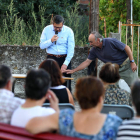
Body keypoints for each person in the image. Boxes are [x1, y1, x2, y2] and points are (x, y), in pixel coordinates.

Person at [26, 76, 122, 140]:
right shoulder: (114, 122)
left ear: (78, 97)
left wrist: (56, 112)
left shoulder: (64, 117)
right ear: (101, 99)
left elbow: (30, 126)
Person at [65, 31, 138, 86]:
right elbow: (87, 62)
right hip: (113, 70)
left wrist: (132, 62)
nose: (90, 44)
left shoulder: (111, 41)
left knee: (135, 86)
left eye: (91, 42)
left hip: (126, 67)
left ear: (98, 40)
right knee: (109, 89)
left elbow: (127, 48)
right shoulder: (94, 50)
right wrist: (74, 70)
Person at [40, 15, 75, 91]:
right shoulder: (46, 29)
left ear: (63, 24)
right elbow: (41, 46)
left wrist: (65, 63)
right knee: (49, 82)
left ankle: (66, 101)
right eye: (56, 27)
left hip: (64, 59)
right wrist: (51, 40)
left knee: (66, 84)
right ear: (53, 23)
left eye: (59, 27)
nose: (58, 29)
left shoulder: (68, 31)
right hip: (51, 58)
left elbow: (71, 49)